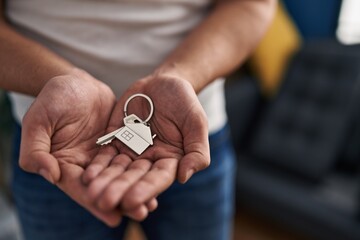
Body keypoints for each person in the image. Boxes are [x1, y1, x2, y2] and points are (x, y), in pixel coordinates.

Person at [0, 0, 275, 239]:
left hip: (190, 132)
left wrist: (183, 76)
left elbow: (251, 4)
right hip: (58, 142)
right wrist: (56, 82)